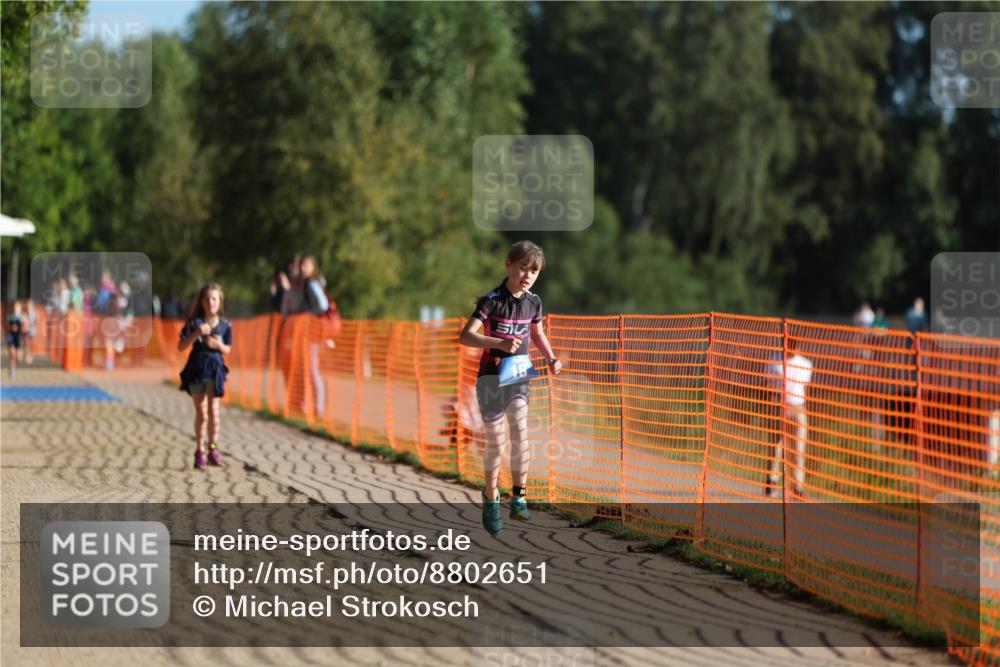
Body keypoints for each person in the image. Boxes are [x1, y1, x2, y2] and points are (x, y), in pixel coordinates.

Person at [459, 241, 561, 535]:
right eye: (523, 268)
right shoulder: (491, 301)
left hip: (517, 373)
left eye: (534, 270)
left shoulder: (534, 302)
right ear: (509, 265)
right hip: (490, 375)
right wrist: (498, 343)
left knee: (520, 427)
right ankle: (491, 497)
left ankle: (519, 496)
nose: (527, 275)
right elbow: (467, 336)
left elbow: (537, 333)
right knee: (496, 440)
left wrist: (551, 357)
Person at [177, 283, 233, 471]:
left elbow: (228, 349)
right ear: (202, 302)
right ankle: (199, 450)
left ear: (220, 301)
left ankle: (213, 449)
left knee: (214, 413)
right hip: (197, 369)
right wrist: (196, 333)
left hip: (216, 369)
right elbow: (181, 346)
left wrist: (218, 346)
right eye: (207, 299)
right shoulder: (194, 322)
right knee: (202, 413)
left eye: (214, 299)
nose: (211, 303)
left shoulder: (225, 325)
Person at [765, 338, 813, 498]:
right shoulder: (774, 360)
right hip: (779, 405)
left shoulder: (806, 364)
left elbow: (806, 387)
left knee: (798, 450)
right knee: (776, 446)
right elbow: (768, 384)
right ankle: (772, 480)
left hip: (798, 408)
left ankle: (798, 487)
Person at [6, 301, 24, 378]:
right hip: (11, 336)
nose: (16, 309)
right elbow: (7, 327)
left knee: (18, 357)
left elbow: (24, 327)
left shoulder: (22, 317)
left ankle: (14, 366)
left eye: (17, 307)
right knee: (12, 353)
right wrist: (12, 328)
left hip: (18, 337)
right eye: (15, 307)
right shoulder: (9, 317)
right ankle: (11, 369)